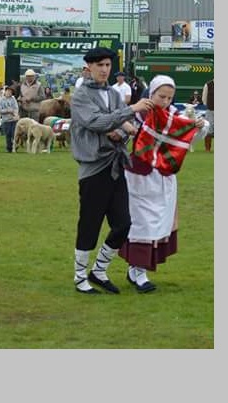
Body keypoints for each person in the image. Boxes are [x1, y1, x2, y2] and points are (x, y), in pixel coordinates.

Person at [69, 47, 155, 294]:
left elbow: (116, 122)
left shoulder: (114, 94)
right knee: (90, 223)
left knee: (123, 223)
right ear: (89, 67)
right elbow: (95, 122)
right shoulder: (81, 95)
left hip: (116, 164)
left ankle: (99, 269)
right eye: (100, 65)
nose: (104, 70)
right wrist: (132, 110)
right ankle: (79, 277)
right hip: (94, 168)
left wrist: (127, 127)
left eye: (107, 65)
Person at [120, 75, 206, 293]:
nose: (165, 101)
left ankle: (138, 269)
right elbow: (122, 131)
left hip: (164, 177)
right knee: (142, 222)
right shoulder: (138, 113)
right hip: (140, 176)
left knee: (158, 221)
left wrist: (199, 126)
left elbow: (187, 141)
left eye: (169, 97)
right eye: (161, 96)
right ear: (152, 93)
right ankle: (138, 271)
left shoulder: (173, 116)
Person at [0, 86, 19, 153]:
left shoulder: (13, 99)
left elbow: (16, 108)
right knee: (8, 134)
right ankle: (9, 148)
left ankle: (15, 146)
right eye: (8, 91)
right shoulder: (0, 100)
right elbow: (0, 110)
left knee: (14, 134)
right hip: (5, 120)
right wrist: (8, 110)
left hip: (13, 119)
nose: (9, 93)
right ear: (5, 92)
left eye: (10, 92)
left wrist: (15, 113)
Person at [202, 79, 214, 152]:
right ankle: (207, 149)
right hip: (211, 110)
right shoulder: (208, 84)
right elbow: (204, 98)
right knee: (209, 130)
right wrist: (210, 106)